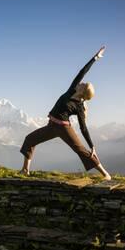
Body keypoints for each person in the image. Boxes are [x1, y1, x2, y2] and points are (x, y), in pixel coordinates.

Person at [20, 46, 112, 180]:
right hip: (51, 126)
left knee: (81, 151)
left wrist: (92, 146)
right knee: (30, 139)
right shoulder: (72, 90)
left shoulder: (79, 107)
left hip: (64, 128)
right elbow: (82, 72)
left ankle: (105, 174)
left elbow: (83, 128)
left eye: (84, 84)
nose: (82, 82)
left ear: (83, 91)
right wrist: (95, 58)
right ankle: (25, 170)